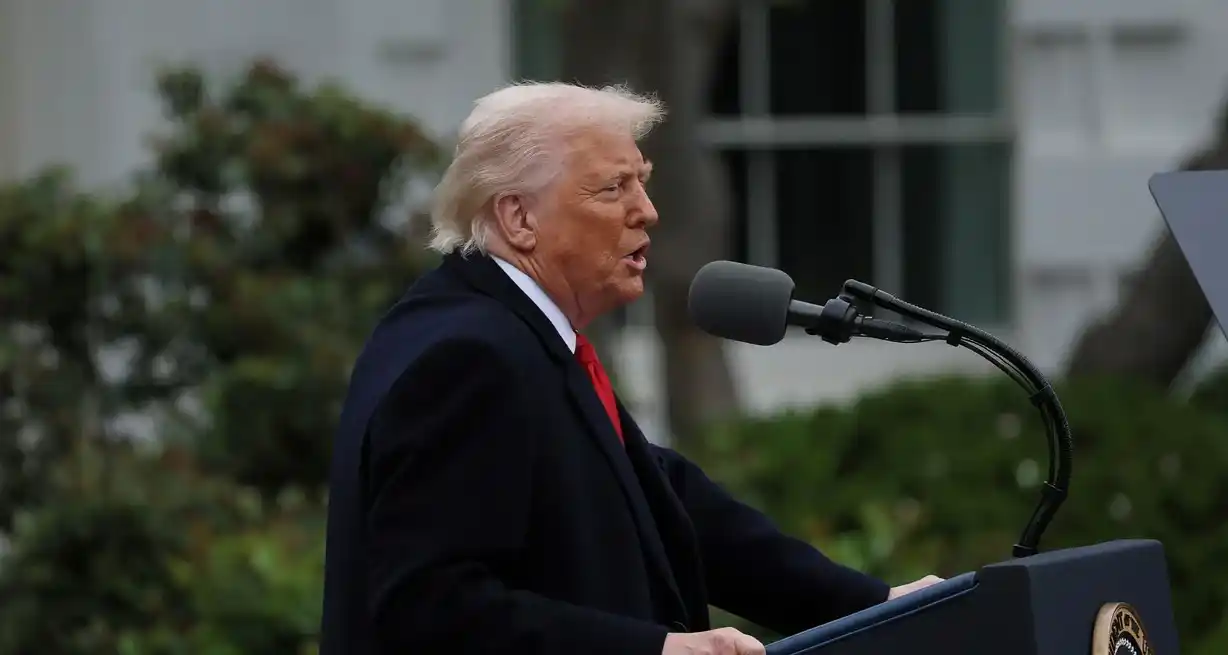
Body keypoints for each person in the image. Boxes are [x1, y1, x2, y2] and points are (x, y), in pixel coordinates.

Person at [319, 81, 942, 655]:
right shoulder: (470, 356)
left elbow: (663, 500)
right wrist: (659, 650)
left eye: (641, 182)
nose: (647, 210)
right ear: (519, 218)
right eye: (613, 188)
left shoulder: (513, 333)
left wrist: (876, 607)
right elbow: (430, 609)